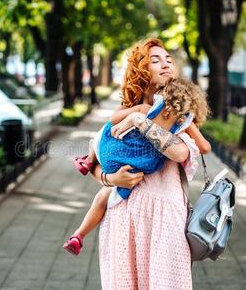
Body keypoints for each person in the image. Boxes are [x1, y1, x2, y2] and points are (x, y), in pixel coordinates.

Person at [70, 38, 209, 289]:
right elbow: (97, 159)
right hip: (122, 216)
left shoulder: (178, 113)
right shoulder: (125, 111)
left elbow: (179, 153)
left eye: (168, 59)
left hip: (164, 217)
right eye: (155, 60)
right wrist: (111, 180)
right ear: (140, 71)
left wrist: (140, 121)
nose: (166, 64)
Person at [63, 78, 210, 255]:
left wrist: (132, 116)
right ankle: (78, 236)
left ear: (164, 95)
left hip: (113, 152)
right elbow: (205, 148)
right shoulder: (183, 123)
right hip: (139, 165)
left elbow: (113, 120)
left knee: (103, 132)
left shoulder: (149, 108)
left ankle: (87, 161)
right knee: (108, 196)